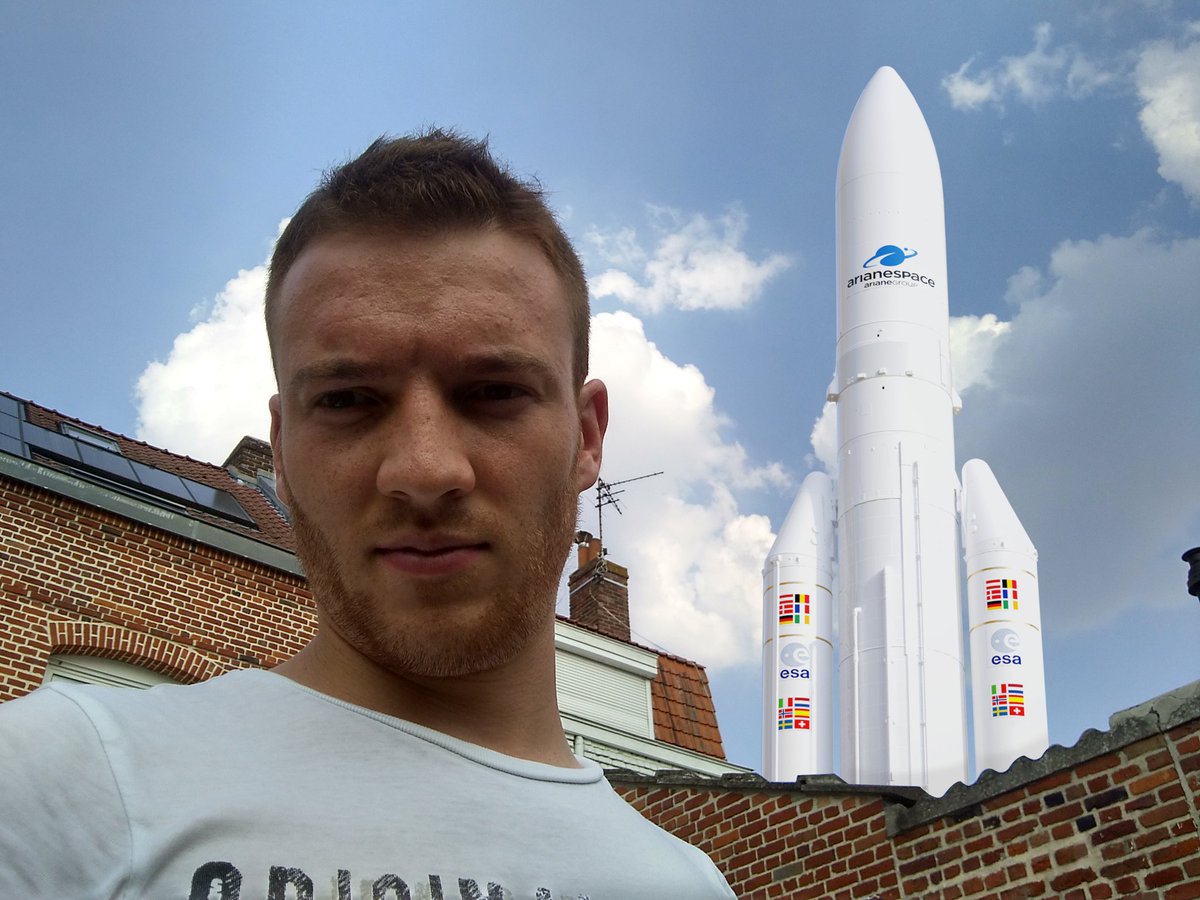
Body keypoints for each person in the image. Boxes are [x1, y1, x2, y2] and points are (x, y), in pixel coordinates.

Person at [0, 131, 736, 899]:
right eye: (348, 400)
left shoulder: (685, 888)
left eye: (494, 392)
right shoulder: (63, 786)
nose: (424, 469)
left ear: (586, 439)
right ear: (282, 452)